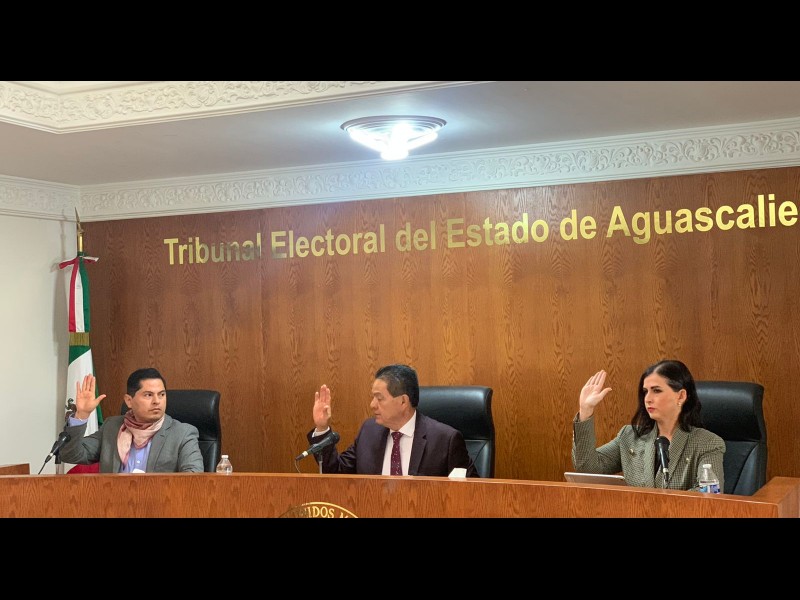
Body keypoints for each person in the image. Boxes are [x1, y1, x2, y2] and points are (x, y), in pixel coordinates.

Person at [571, 359, 725, 491]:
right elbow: (587, 468)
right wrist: (585, 410)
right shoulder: (629, 436)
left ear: (681, 396)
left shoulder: (707, 443)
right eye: (645, 391)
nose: (648, 398)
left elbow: (708, 496)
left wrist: (657, 505)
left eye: (656, 390)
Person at [307, 363, 478, 477]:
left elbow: (471, 493)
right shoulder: (369, 432)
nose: (372, 405)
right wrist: (322, 427)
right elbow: (336, 474)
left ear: (403, 401)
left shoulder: (445, 440)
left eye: (379, 398)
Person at [59, 367, 204, 473]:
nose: (157, 401)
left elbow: (193, 477)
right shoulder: (112, 427)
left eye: (161, 394)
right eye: (148, 395)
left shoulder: (183, 433)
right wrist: (82, 415)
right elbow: (70, 455)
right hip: (113, 503)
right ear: (129, 401)